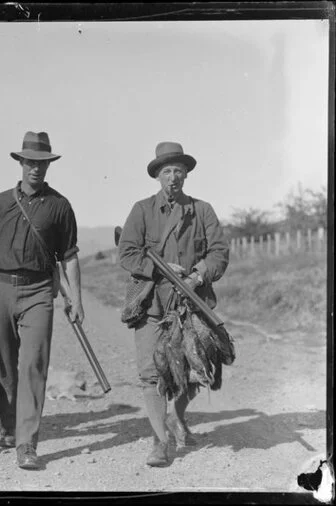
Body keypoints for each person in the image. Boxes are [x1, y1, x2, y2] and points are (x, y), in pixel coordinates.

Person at [0, 131, 84, 470]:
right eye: (31, 162)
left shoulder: (60, 207)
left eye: (42, 163)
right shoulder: (0, 202)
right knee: (4, 364)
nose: (36, 168)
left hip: (37, 293)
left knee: (33, 364)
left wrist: (76, 300)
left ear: (49, 165)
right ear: (21, 163)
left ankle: (26, 443)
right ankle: (8, 425)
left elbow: (70, 257)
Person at [118, 141, 229, 467]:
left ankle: (175, 417)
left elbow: (219, 252)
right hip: (153, 306)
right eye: (166, 171)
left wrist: (197, 275)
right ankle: (160, 442)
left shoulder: (202, 210)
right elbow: (126, 252)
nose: (173, 177)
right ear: (157, 176)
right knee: (152, 375)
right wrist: (160, 268)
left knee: (194, 373)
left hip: (192, 306)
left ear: (186, 174)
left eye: (178, 170)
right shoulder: (142, 210)